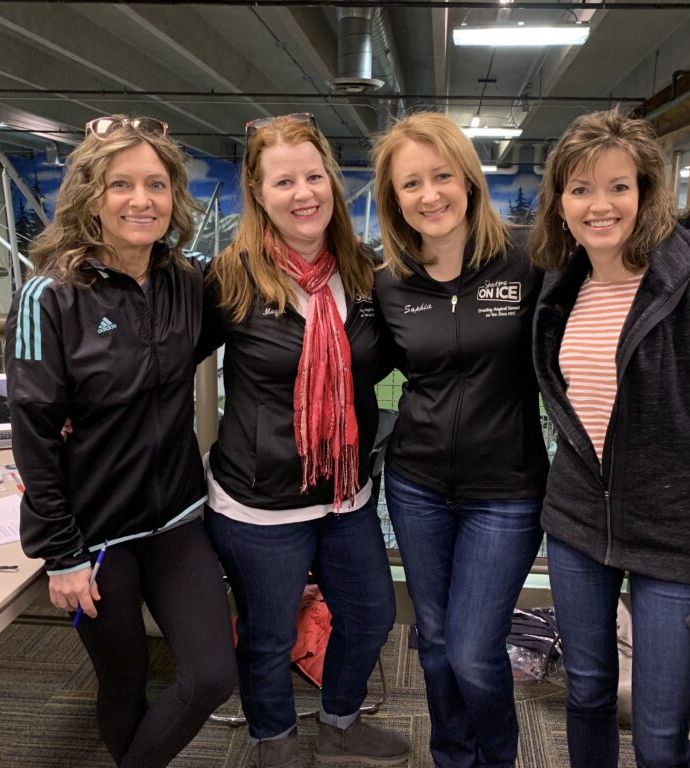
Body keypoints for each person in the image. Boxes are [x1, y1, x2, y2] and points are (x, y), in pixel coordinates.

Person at [528, 108, 690, 768]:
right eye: (579, 190)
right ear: (560, 203)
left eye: (617, 187)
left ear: (646, 192)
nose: (598, 205)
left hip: (676, 536)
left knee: (662, 733)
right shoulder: (562, 284)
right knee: (585, 695)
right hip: (580, 525)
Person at [5, 115, 237, 768]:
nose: (142, 200)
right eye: (121, 185)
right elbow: (34, 435)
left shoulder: (187, 283)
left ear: (174, 197)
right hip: (95, 536)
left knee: (210, 676)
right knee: (124, 681)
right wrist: (62, 553)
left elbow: (237, 325)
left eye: (157, 185)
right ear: (90, 196)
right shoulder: (47, 298)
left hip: (176, 520)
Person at [199, 113, 410, 768]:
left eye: (313, 176)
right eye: (282, 180)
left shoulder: (365, 272)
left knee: (371, 615)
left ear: (333, 182)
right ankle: (275, 740)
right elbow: (159, 361)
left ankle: (339, 723)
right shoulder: (229, 278)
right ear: (258, 194)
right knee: (266, 635)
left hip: (345, 493)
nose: (303, 193)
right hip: (260, 503)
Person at [371, 112, 549, 768]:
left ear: (469, 181)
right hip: (416, 485)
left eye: (441, 175)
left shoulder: (529, 258)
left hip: (505, 491)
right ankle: (452, 756)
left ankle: (496, 759)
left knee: (475, 647)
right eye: (410, 183)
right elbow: (353, 359)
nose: (429, 194)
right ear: (395, 199)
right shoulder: (388, 283)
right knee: (437, 639)